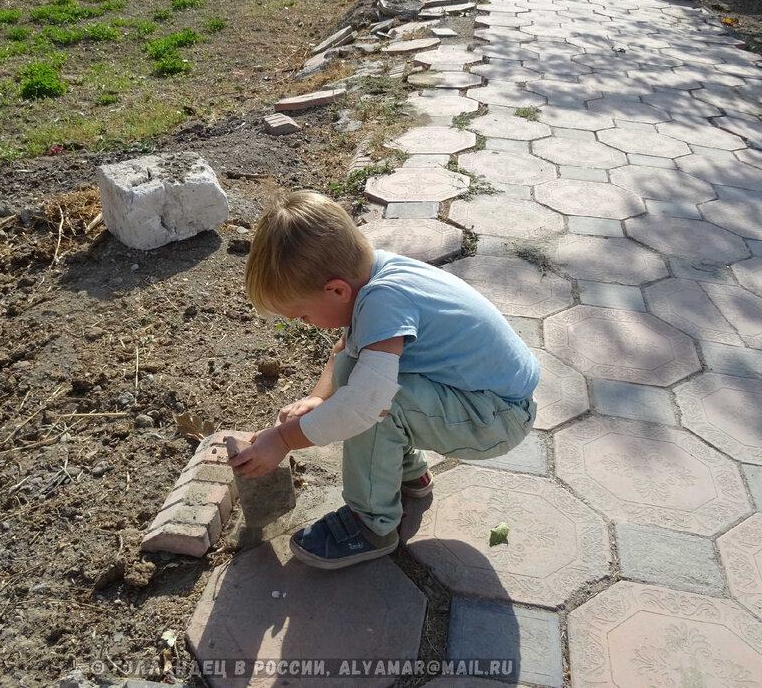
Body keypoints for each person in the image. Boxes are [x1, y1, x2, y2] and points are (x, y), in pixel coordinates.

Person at [230, 191, 540, 569]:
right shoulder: (375, 275)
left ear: (336, 290)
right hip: (487, 401)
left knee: (374, 405)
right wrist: (319, 399)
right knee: (356, 373)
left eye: (303, 316)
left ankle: (372, 523)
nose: (305, 324)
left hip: (497, 419)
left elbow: (365, 405)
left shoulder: (384, 300)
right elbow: (344, 349)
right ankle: (408, 472)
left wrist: (283, 439)